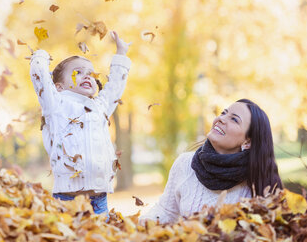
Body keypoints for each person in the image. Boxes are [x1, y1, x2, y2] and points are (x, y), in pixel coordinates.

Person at [30, 31, 131, 215]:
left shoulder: (99, 106)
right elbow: (41, 79)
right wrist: (40, 56)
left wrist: (121, 53)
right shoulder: (57, 104)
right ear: (58, 86)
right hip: (68, 200)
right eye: (78, 72)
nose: (87, 76)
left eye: (91, 74)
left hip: (99, 198)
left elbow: (115, 88)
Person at [140, 99, 282, 224]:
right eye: (223, 113)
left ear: (248, 142)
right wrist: (143, 224)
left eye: (234, 119)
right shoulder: (185, 163)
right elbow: (166, 211)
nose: (221, 119)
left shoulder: (258, 183)